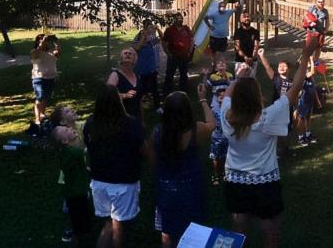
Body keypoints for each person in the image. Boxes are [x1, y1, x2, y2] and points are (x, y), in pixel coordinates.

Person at [220, 41, 316, 248]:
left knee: (239, 221)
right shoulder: (268, 117)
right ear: (258, 97)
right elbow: (296, 88)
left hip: (235, 179)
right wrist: (306, 55)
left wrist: (239, 79)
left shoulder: (227, 116)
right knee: (269, 226)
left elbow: (228, 95)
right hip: (265, 180)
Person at [151, 87, 215, 247]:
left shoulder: (157, 132)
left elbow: (153, 160)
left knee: (167, 232)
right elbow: (212, 124)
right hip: (192, 186)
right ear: (188, 110)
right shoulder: (197, 129)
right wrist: (203, 99)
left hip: (166, 186)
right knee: (195, 230)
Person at [83, 85, 146, 248]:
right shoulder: (131, 124)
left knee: (108, 224)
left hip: (99, 181)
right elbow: (143, 149)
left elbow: (88, 147)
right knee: (118, 226)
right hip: (123, 181)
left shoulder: (90, 124)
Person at [51, 124, 91, 246]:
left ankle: (80, 233)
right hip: (77, 192)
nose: (70, 129)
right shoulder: (74, 152)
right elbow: (87, 152)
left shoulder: (65, 152)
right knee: (79, 216)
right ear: (64, 140)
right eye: (66, 130)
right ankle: (77, 237)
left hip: (71, 192)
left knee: (77, 215)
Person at [205, 63, 233, 186]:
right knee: (215, 157)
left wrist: (226, 78)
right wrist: (205, 75)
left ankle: (227, 173)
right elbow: (207, 85)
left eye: (223, 64)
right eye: (219, 64)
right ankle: (216, 174)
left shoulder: (230, 76)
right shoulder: (214, 109)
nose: (221, 65)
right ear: (216, 68)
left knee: (227, 155)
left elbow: (232, 86)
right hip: (216, 137)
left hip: (227, 136)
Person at [31, 33, 61, 125]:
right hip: (39, 79)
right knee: (40, 97)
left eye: (46, 40)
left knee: (45, 98)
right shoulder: (35, 52)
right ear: (37, 41)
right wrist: (42, 42)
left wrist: (57, 42)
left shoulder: (51, 52)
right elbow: (35, 55)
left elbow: (58, 52)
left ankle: (42, 114)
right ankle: (37, 118)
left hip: (51, 78)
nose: (45, 42)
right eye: (41, 39)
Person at [133, 19, 162, 111]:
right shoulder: (139, 36)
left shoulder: (152, 39)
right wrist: (144, 36)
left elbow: (162, 38)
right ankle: (138, 105)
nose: (149, 28)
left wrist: (158, 29)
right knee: (142, 89)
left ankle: (157, 107)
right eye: (147, 26)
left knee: (154, 89)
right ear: (144, 26)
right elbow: (137, 47)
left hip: (152, 68)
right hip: (142, 69)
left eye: (150, 25)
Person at [162, 13, 194, 95]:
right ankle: (167, 92)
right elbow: (164, 42)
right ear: (174, 19)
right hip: (173, 56)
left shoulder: (186, 29)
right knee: (169, 74)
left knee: (183, 74)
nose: (179, 20)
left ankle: (184, 92)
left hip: (184, 56)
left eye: (181, 18)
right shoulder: (169, 30)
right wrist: (168, 53)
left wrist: (190, 52)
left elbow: (192, 40)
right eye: (177, 18)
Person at [107, 48, 142, 120]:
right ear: (120, 59)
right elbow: (107, 95)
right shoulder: (115, 75)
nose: (128, 54)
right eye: (125, 53)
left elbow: (140, 100)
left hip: (136, 117)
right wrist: (124, 95)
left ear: (134, 60)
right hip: (120, 117)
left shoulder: (137, 76)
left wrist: (142, 120)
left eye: (130, 53)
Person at [204, 0, 236, 65]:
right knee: (213, 52)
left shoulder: (228, 12)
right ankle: (214, 66)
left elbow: (235, 9)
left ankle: (221, 66)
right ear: (218, 7)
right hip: (214, 37)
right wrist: (209, 26)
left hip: (223, 37)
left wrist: (237, 5)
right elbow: (205, 17)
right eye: (221, 6)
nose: (222, 8)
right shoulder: (214, 14)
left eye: (224, 6)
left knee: (222, 52)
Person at [295, 66, 318, 146]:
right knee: (301, 119)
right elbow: (312, 71)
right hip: (303, 101)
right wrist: (311, 60)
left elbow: (314, 89)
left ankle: (308, 134)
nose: (308, 71)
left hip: (310, 101)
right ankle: (301, 137)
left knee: (308, 118)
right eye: (306, 69)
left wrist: (318, 101)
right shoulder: (302, 77)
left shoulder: (311, 79)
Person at [233, 11, 260, 78]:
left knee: (251, 81)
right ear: (241, 19)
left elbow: (256, 46)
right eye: (244, 17)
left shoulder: (255, 31)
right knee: (238, 81)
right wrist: (245, 58)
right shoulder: (238, 32)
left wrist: (252, 58)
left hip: (252, 60)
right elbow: (237, 47)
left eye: (248, 16)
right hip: (240, 60)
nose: (247, 18)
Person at [306, 0, 330, 64]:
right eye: (319, 2)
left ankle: (316, 62)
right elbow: (306, 16)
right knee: (310, 47)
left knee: (318, 48)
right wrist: (310, 23)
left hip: (321, 31)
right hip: (311, 30)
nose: (321, 3)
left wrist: (326, 30)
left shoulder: (325, 11)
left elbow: (327, 21)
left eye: (322, 2)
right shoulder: (312, 8)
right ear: (316, 2)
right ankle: (310, 63)